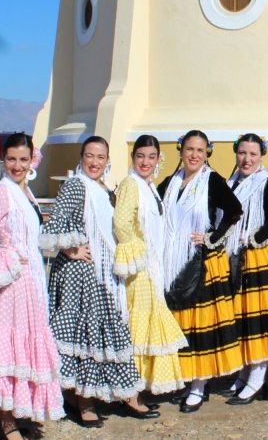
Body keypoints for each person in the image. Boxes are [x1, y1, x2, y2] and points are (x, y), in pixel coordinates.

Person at [41, 136, 151, 426]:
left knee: (103, 332)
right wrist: (70, 248)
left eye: (100, 157)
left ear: (107, 160)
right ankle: (83, 400)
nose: (94, 162)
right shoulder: (76, 185)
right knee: (83, 336)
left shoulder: (103, 189)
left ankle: (116, 394)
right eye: (89, 155)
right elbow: (55, 223)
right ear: (81, 157)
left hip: (101, 275)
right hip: (80, 276)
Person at [0, 133, 64, 438]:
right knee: (8, 352)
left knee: (23, 349)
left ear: (31, 159)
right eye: (11, 159)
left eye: (23, 159)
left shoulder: (25, 192)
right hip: (10, 286)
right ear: (2, 160)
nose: (17, 165)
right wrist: (6, 260)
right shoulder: (2, 191)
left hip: (31, 282)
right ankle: (7, 424)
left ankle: (9, 415)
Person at [157, 130, 245, 413]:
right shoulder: (171, 183)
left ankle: (199, 385)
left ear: (207, 152)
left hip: (203, 263)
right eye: (189, 149)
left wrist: (212, 237)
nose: (194, 155)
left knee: (200, 325)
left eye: (200, 150)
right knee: (183, 324)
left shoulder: (213, 181)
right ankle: (186, 379)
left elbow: (234, 210)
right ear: (181, 151)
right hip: (175, 262)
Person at [112, 135, 189, 399]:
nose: (145, 161)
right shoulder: (131, 184)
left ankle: (140, 388)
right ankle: (130, 394)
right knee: (137, 327)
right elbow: (122, 224)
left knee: (147, 326)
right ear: (133, 158)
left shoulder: (149, 186)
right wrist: (138, 256)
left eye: (151, 156)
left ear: (158, 159)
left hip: (152, 267)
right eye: (140, 156)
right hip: (139, 268)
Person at [220, 133, 268, 404]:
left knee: (259, 320)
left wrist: (256, 237)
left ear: (261, 156)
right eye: (242, 153)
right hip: (239, 259)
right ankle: (245, 373)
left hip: (259, 259)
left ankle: (258, 379)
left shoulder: (267, 184)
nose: (246, 159)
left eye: (252, 154)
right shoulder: (235, 183)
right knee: (245, 319)